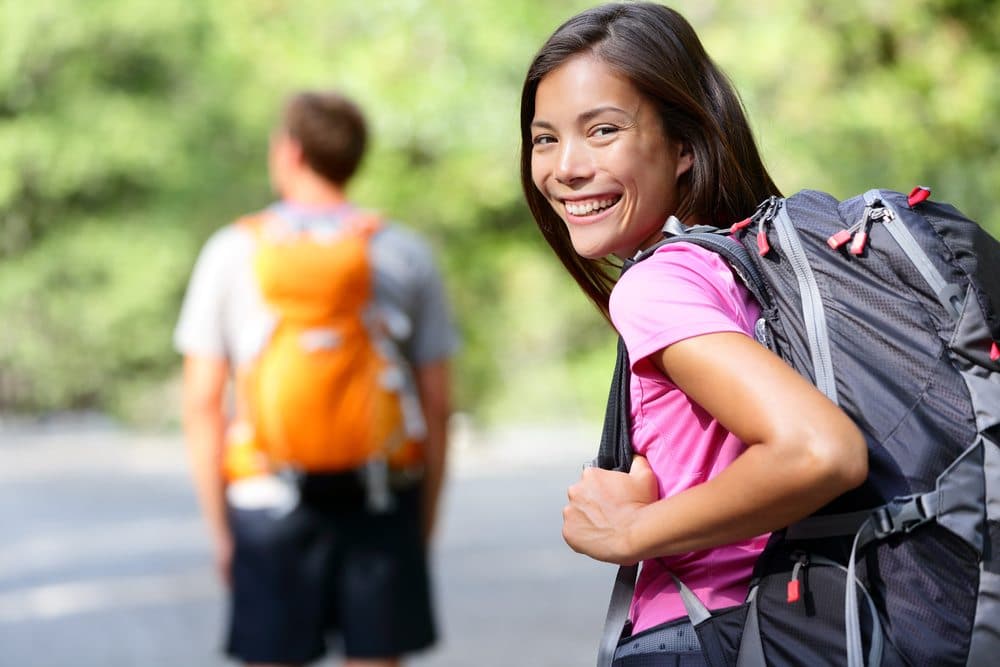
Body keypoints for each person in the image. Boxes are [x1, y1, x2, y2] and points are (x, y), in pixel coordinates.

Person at [520, 3, 868, 664]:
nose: (564, 166)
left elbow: (821, 450)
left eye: (602, 130)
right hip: (792, 624)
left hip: (707, 630)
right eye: (544, 138)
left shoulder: (658, 285)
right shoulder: (745, 261)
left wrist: (633, 529)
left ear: (684, 145)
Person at [175, 90, 458, 667]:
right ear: (355, 159)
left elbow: (203, 402)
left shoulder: (232, 252)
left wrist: (222, 533)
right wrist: (422, 523)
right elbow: (436, 403)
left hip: (265, 500)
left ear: (289, 152)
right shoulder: (403, 252)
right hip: (381, 494)